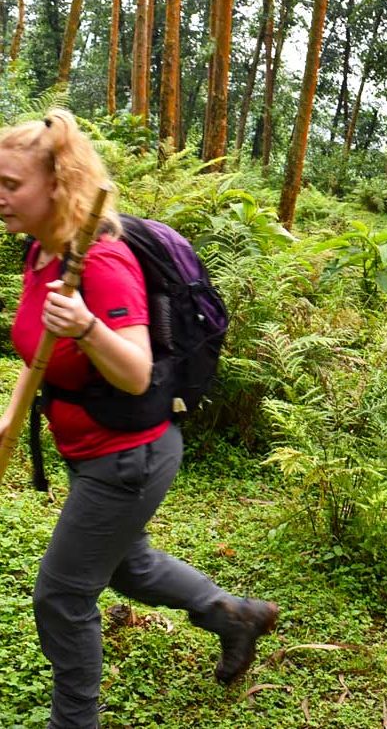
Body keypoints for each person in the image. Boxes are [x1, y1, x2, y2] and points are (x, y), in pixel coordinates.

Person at [0, 110, 278, 729]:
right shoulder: (42, 253)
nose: (0, 196)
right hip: (94, 450)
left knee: (63, 595)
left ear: (57, 185)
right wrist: (11, 415)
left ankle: (75, 722)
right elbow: (38, 346)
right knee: (130, 565)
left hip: (128, 457)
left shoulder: (99, 263)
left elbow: (134, 370)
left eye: (11, 184)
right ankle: (235, 616)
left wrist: (90, 327)